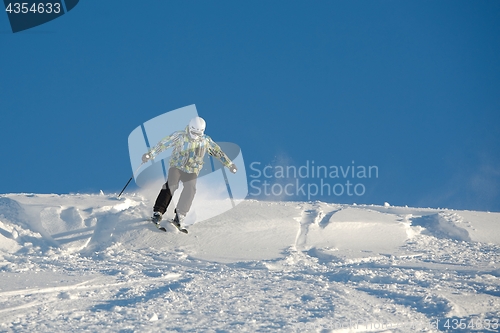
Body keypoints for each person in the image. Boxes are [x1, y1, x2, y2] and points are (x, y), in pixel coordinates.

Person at [142, 116, 237, 228]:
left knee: (191, 188)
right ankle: (158, 212)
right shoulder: (180, 136)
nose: (195, 136)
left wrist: (230, 165)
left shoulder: (205, 141)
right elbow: (163, 144)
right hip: (177, 166)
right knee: (172, 184)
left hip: (192, 170)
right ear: (189, 128)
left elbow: (218, 152)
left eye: (198, 134)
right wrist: (150, 154)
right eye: (193, 132)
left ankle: (180, 215)